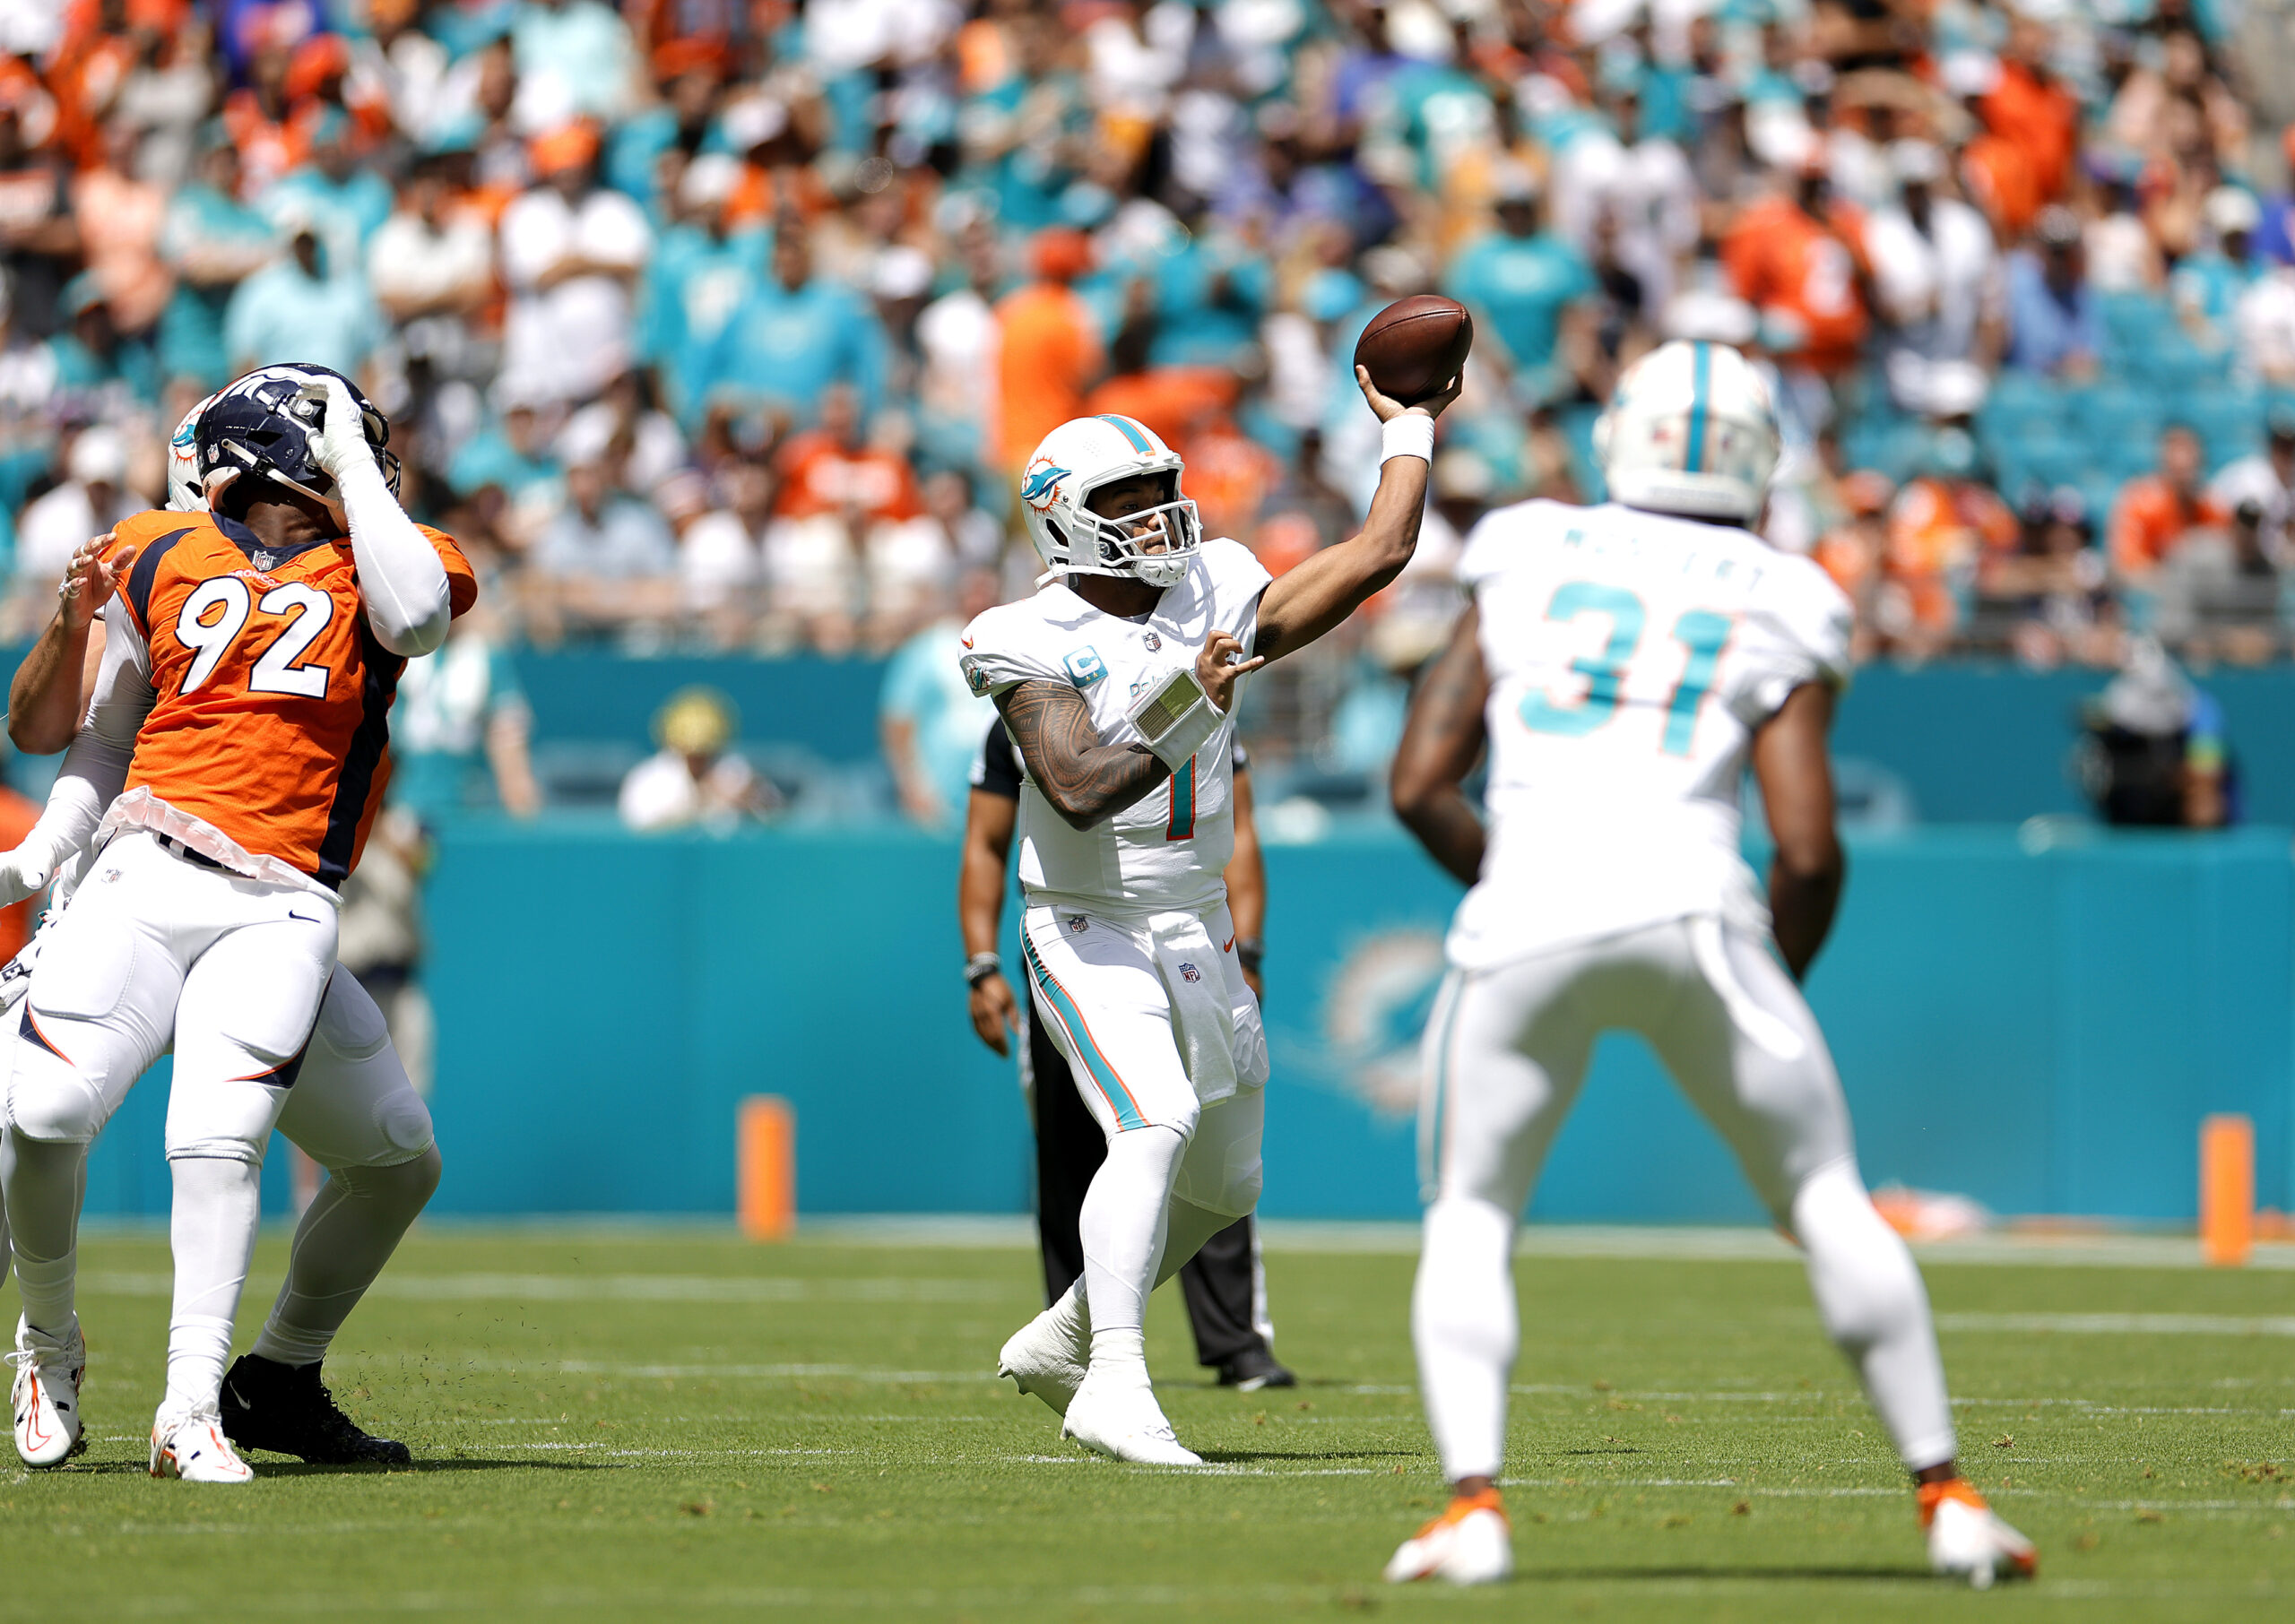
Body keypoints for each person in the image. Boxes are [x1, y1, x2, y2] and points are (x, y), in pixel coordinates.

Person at [1381, 341, 2038, 1587]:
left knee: (1471, 1213)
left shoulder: (1524, 545)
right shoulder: (1785, 589)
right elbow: (1805, 843)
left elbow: (1418, 783)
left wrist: (1535, 891)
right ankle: (1947, 1495)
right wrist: (1770, 975)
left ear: (1617, 434)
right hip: (1696, 910)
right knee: (1827, 1199)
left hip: (1526, 914)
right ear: (1760, 452)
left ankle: (1472, 1512)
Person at [962, 368, 1457, 1465]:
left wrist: (1411, 426)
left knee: (1228, 1181)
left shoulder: (1218, 582)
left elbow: (1378, 554)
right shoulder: (1020, 633)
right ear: (1064, 521)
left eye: (1159, 488)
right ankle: (1114, 1381)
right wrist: (1195, 703)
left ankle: (1064, 1334)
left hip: (1197, 919)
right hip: (1088, 925)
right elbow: (1078, 784)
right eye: (1125, 500)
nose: (1156, 515)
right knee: (1154, 1122)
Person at [0, 363, 475, 1482]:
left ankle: (211, 1401)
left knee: (328, 1154)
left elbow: (411, 618)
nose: (369, 458)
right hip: (145, 871)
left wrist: (353, 463)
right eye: (343, 440)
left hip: (285, 900)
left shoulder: (398, 558)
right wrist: (36, 856)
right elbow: (99, 740)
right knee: (44, 1110)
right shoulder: (157, 547)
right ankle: (47, 1341)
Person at [959, 717, 1292, 1390]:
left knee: (1210, 1144)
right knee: (1072, 1147)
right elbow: (985, 842)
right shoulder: (1025, 714)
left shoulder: (1199, 704)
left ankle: (1234, 1342)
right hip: (1075, 942)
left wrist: (1248, 949)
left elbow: (1243, 832)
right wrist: (981, 964)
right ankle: (1075, 1341)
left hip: (1186, 937)